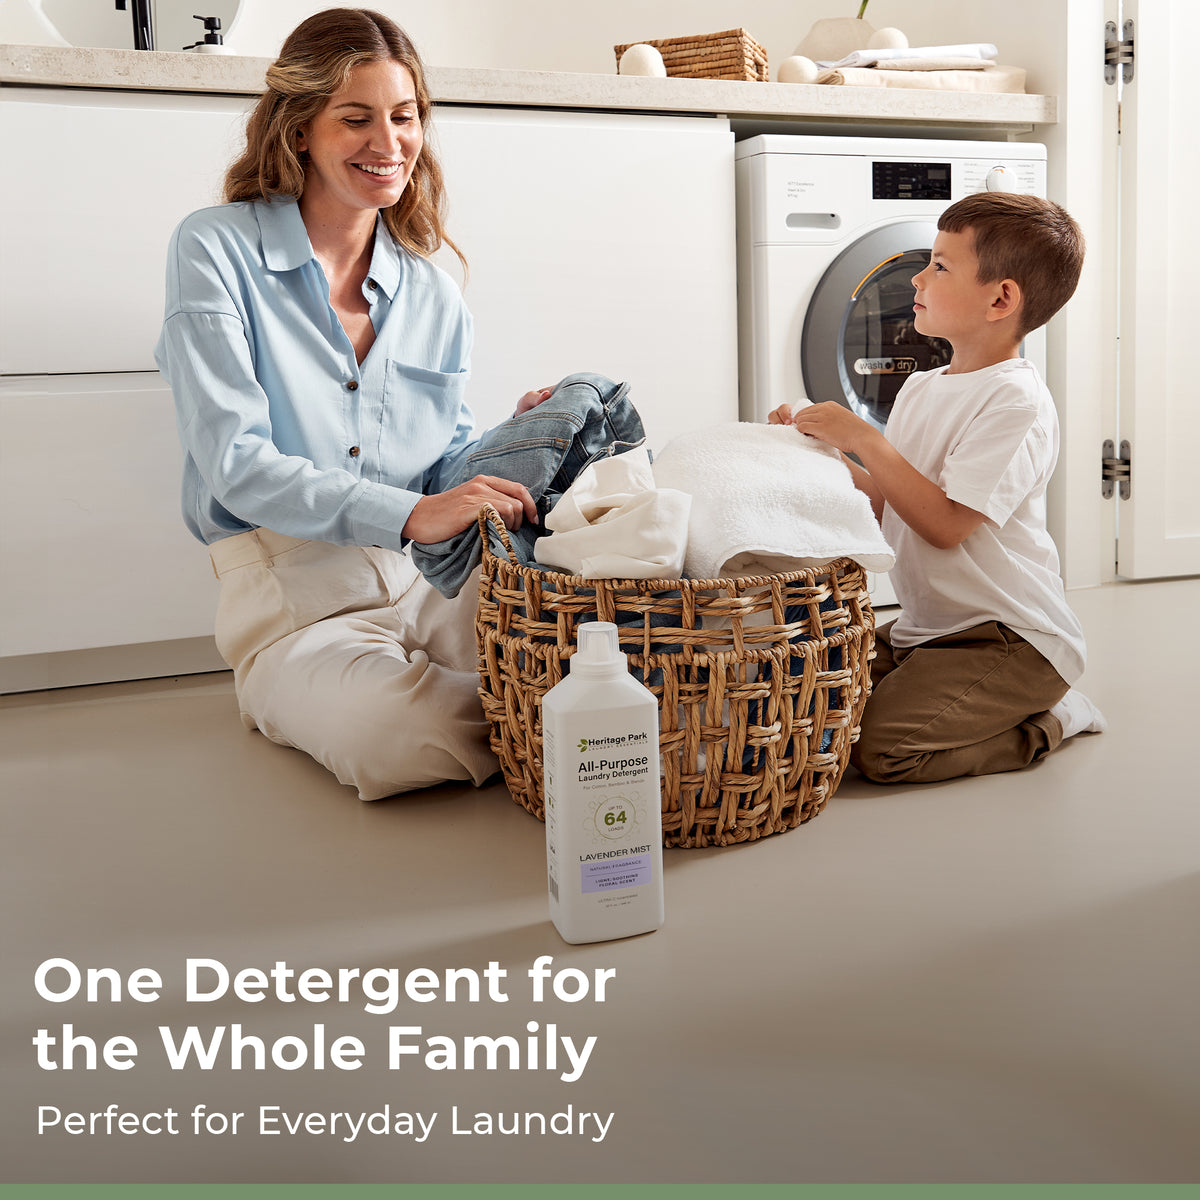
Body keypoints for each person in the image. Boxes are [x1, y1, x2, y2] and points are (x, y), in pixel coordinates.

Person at [154, 8, 555, 800]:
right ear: (300, 127)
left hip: (427, 582)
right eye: (357, 117)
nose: (389, 142)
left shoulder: (434, 294)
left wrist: (516, 439)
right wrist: (410, 514)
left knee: (598, 641)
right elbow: (236, 465)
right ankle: (506, 712)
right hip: (293, 600)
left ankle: (529, 704)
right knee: (401, 734)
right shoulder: (214, 250)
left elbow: (443, 468)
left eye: (404, 116)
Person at [769, 192, 1105, 784]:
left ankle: (1056, 716)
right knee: (808, 703)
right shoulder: (921, 388)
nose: (918, 277)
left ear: (1000, 299)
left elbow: (946, 525)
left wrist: (862, 437)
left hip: (1010, 640)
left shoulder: (1016, 401)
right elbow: (888, 505)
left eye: (941, 266)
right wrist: (820, 450)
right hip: (928, 630)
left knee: (882, 750)